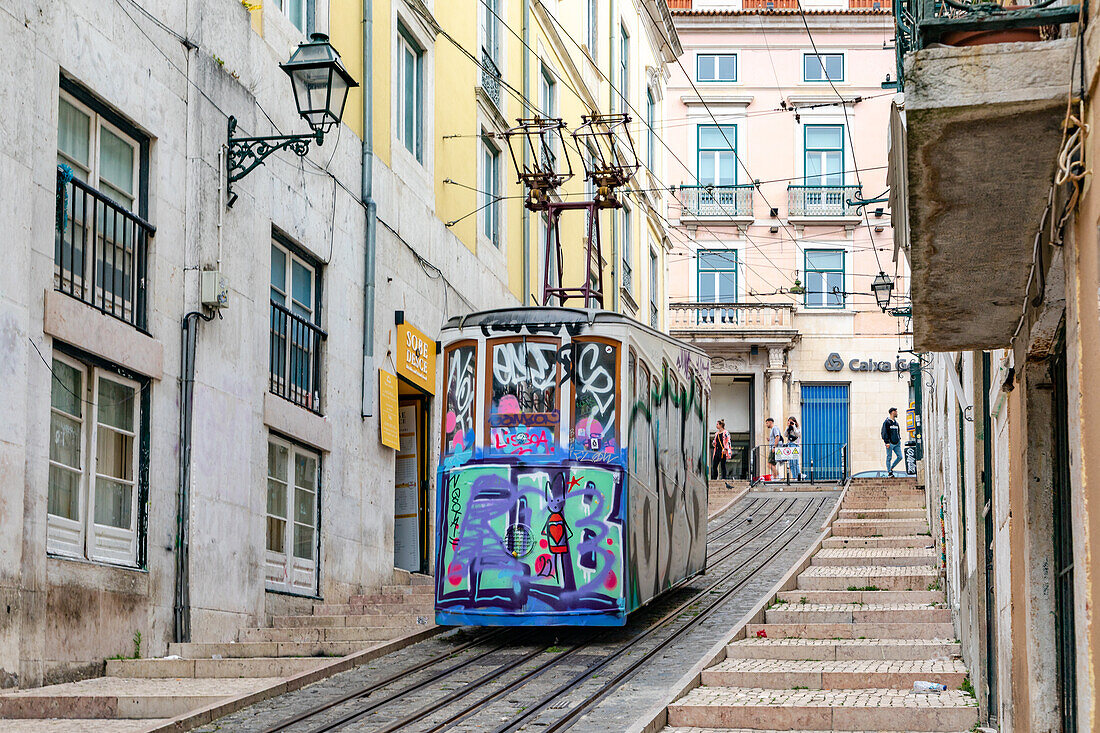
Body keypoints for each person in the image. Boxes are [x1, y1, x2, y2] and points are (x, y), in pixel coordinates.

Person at [882, 407, 903, 476]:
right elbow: (884, 432)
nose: (897, 413)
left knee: (900, 457)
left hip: (897, 443)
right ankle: (889, 472)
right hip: (890, 443)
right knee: (889, 457)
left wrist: (899, 439)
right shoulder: (887, 422)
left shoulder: (896, 423)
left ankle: (891, 468)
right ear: (892, 412)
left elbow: (898, 432)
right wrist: (886, 442)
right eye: (895, 411)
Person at [785, 416, 802, 480]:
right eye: (789, 421)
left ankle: (798, 477)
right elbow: (785, 435)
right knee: (791, 462)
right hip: (789, 445)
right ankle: (794, 477)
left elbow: (798, 434)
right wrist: (787, 427)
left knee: (796, 462)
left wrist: (794, 426)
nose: (790, 423)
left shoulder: (797, 427)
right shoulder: (789, 428)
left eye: (791, 421)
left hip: (795, 445)